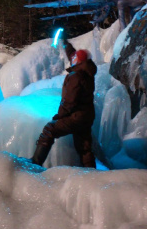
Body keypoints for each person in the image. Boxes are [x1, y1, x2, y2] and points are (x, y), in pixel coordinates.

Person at [30, 37, 97, 168]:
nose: (72, 59)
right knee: (84, 148)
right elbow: (73, 55)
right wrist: (66, 44)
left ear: (79, 61)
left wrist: (60, 116)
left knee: (49, 130)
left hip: (76, 117)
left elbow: (69, 101)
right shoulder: (86, 71)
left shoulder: (76, 76)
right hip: (86, 117)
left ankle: (35, 162)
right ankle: (91, 172)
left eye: (75, 58)